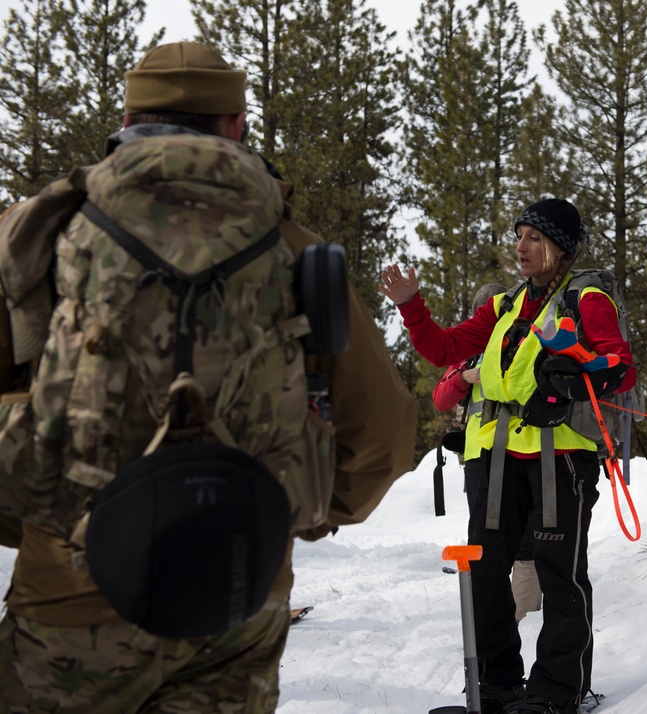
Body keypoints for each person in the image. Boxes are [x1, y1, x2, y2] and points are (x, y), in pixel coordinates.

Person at [0, 41, 417, 713]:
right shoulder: (295, 249)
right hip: (237, 590)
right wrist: (281, 516)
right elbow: (385, 434)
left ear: (129, 119)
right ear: (237, 127)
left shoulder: (44, 234)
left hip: (71, 599)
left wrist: (44, 523)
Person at [379, 198, 635, 714]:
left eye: (534, 238)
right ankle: (497, 686)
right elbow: (445, 349)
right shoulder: (506, 306)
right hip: (495, 459)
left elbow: (619, 365)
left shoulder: (585, 297)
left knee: (559, 572)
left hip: (561, 456)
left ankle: (555, 692)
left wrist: (570, 378)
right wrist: (412, 305)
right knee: (487, 571)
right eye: (519, 236)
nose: (522, 246)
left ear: (560, 248)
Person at [432, 283, 542, 624]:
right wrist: (467, 375)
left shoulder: (526, 342)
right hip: (480, 459)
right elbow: (441, 398)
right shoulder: (471, 355)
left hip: (521, 451)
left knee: (525, 540)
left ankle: (522, 620)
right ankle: (497, 623)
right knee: (487, 541)